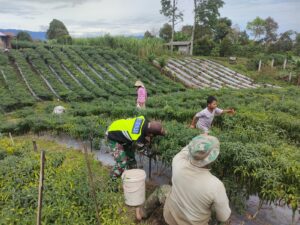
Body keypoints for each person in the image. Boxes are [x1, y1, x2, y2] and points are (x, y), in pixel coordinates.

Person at [136, 135, 231, 225]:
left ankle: (141, 213)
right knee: (219, 210)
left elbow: (185, 150)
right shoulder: (216, 186)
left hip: (171, 218)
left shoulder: (178, 162)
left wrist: (199, 141)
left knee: (163, 189)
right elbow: (223, 217)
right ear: (212, 159)